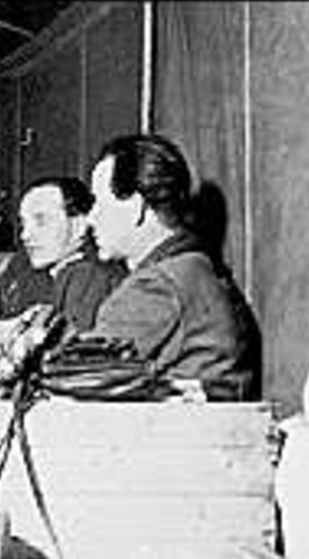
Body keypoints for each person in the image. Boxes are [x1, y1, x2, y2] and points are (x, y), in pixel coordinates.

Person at [82, 133, 262, 401]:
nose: (91, 218)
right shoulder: (196, 269)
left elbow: (78, 378)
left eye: (99, 202)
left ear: (136, 207)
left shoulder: (155, 286)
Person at [18, 176, 126, 332]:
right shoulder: (65, 272)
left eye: (41, 221)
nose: (25, 235)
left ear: (79, 225)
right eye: (23, 223)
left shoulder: (87, 274)